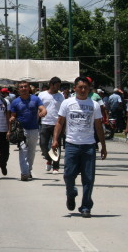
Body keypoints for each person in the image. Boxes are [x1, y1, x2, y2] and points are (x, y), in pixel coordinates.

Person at [52, 76, 107, 218]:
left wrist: (103, 145)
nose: (83, 90)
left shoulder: (94, 105)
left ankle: (86, 206)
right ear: (74, 88)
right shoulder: (67, 103)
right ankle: (71, 193)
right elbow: (59, 122)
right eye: (80, 87)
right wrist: (55, 140)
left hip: (88, 146)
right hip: (71, 144)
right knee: (68, 175)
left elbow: (98, 126)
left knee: (88, 178)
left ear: (89, 89)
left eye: (85, 87)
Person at [10, 81, 47, 181]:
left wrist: (43, 111)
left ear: (28, 88)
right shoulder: (15, 102)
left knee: (31, 152)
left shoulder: (35, 99)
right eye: (21, 87)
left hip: (34, 129)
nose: (23, 89)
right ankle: (24, 173)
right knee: (23, 151)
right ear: (18, 89)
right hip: (21, 130)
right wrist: (12, 119)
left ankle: (28, 170)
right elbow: (13, 115)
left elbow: (42, 108)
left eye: (25, 87)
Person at [38, 77, 65, 174]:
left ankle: (56, 167)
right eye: (57, 85)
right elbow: (38, 107)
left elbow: (64, 110)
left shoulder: (61, 96)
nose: (58, 87)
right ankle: (49, 158)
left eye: (59, 85)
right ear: (51, 85)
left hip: (57, 124)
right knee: (43, 144)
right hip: (45, 123)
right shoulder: (42, 95)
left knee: (56, 145)